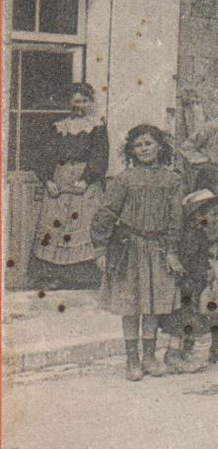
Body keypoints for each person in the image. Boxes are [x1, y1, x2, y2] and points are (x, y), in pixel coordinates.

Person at [91, 126, 186, 382]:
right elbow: (106, 213)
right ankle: (132, 359)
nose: (144, 148)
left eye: (149, 143)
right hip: (129, 249)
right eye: (138, 145)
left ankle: (149, 357)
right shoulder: (124, 179)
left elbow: (176, 219)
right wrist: (101, 248)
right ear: (132, 151)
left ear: (160, 147)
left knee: (153, 306)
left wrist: (172, 251)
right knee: (131, 305)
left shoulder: (172, 179)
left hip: (158, 248)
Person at [32, 82, 109, 289]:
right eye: (76, 101)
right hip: (60, 179)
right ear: (69, 102)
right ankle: (55, 278)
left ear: (91, 103)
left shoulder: (97, 126)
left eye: (84, 101)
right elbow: (45, 155)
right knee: (56, 227)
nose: (80, 105)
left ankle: (84, 279)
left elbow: (100, 157)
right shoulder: (59, 127)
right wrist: (47, 179)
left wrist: (86, 179)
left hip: (85, 183)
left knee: (83, 227)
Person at [168, 188, 218, 372]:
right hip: (192, 280)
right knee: (187, 316)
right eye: (213, 214)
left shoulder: (203, 230)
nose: (217, 217)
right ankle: (174, 354)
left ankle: (203, 351)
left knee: (209, 310)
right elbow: (192, 258)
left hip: (204, 276)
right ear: (198, 215)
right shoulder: (190, 235)